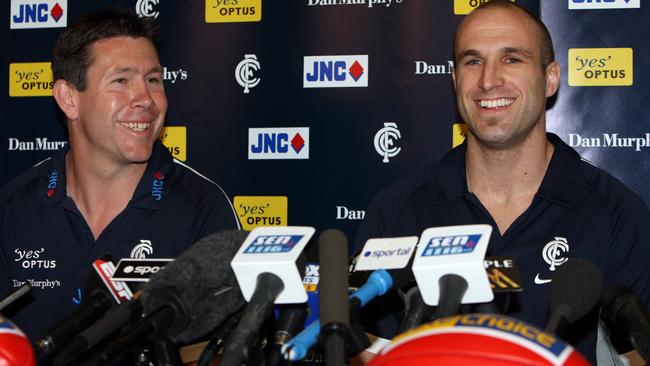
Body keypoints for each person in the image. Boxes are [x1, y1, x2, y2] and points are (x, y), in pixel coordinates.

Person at [355, 1, 650, 364]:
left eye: (512, 59)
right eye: (472, 61)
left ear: (551, 78)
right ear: (455, 80)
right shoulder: (397, 209)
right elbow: (367, 349)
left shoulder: (617, 212)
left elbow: (638, 355)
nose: (488, 80)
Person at [0, 9, 240, 342]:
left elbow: (222, 347)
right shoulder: (13, 207)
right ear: (69, 98)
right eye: (121, 80)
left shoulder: (202, 207)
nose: (146, 99)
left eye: (153, 80)